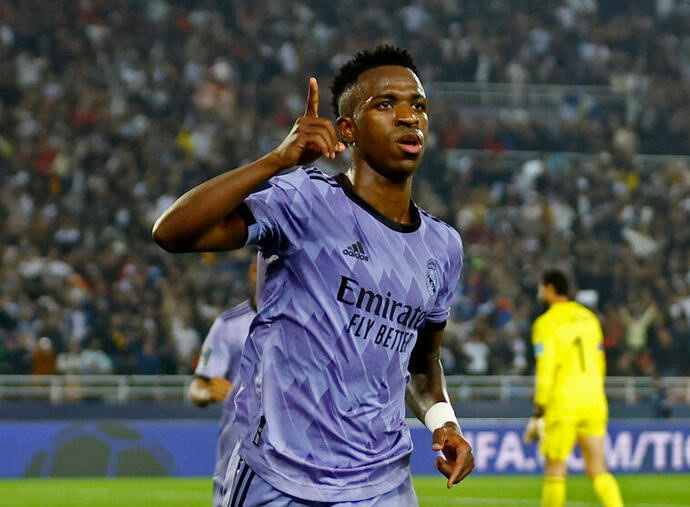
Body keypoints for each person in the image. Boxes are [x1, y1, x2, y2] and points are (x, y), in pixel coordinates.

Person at [153, 45, 474, 506]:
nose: (409, 117)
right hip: (279, 478)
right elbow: (173, 232)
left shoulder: (442, 247)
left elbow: (422, 364)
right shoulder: (303, 201)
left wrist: (445, 423)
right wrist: (276, 160)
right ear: (348, 129)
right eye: (386, 104)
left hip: (383, 484)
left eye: (418, 105)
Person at [523, 269, 623, 507]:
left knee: (555, 468)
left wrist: (539, 410)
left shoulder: (545, 323)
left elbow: (546, 367)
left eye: (541, 288)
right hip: (594, 399)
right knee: (598, 468)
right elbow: (600, 360)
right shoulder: (589, 318)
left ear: (549, 289)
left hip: (563, 401)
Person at [188, 259, 258, 507]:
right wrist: (207, 392)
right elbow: (198, 385)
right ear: (253, 271)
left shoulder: (301, 321)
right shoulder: (229, 324)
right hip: (236, 446)